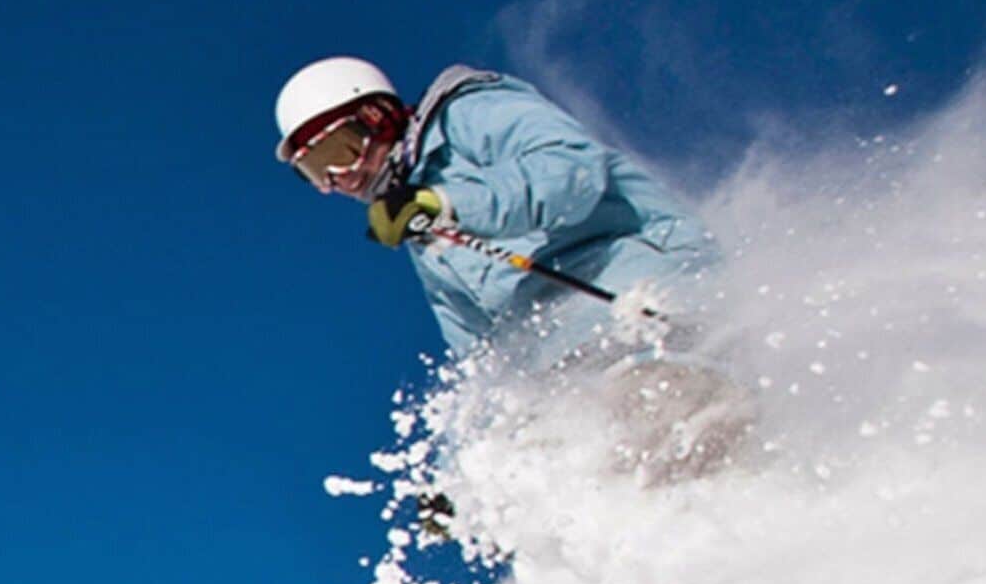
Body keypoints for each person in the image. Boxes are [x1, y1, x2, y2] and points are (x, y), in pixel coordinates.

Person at [272, 57, 720, 365]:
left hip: (642, 284)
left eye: (338, 152)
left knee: (638, 393)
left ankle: (692, 400)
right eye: (314, 172)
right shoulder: (421, 230)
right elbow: (480, 348)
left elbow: (573, 169)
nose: (336, 179)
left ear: (376, 117)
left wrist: (450, 204)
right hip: (576, 352)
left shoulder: (468, 115)